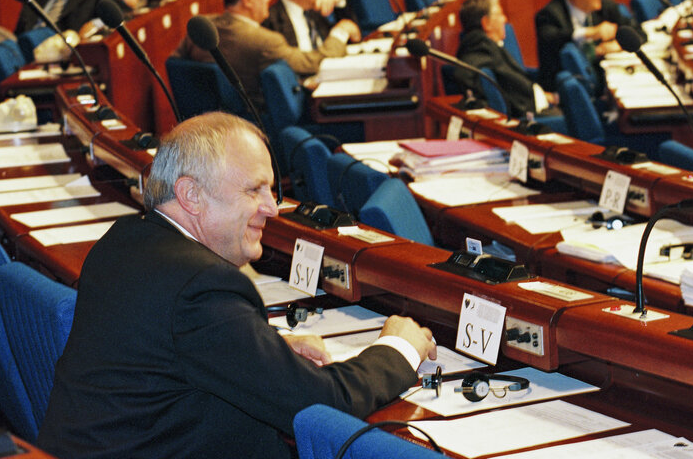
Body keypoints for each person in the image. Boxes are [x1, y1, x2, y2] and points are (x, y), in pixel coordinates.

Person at [37, 112, 436, 459]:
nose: (273, 207)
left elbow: (173, 346)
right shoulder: (201, 286)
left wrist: (259, 348)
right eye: (253, 190)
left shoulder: (125, 241)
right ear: (191, 195)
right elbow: (322, 403)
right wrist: (399, 348)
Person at [174, 0, 360, 107]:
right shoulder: (264, 40)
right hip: (260, 124)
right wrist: (340, 32)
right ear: (247, 0)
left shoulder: (200, 30)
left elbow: (176, 63)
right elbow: (315, 63)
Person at [534, 0, 645, 91]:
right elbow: (551, 38)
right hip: (569, 91)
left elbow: (640, 33)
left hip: (604, 84)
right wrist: (589, 33)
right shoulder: (549, 15)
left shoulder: (606, 7)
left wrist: (618, 45)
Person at [455, 0, 558, 118]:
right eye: (499, 14)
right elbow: (464, 72)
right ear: (486, 23)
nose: (504, 19)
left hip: (538, 105)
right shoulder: (480, 47)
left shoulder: (488, 45)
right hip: (529, 117)